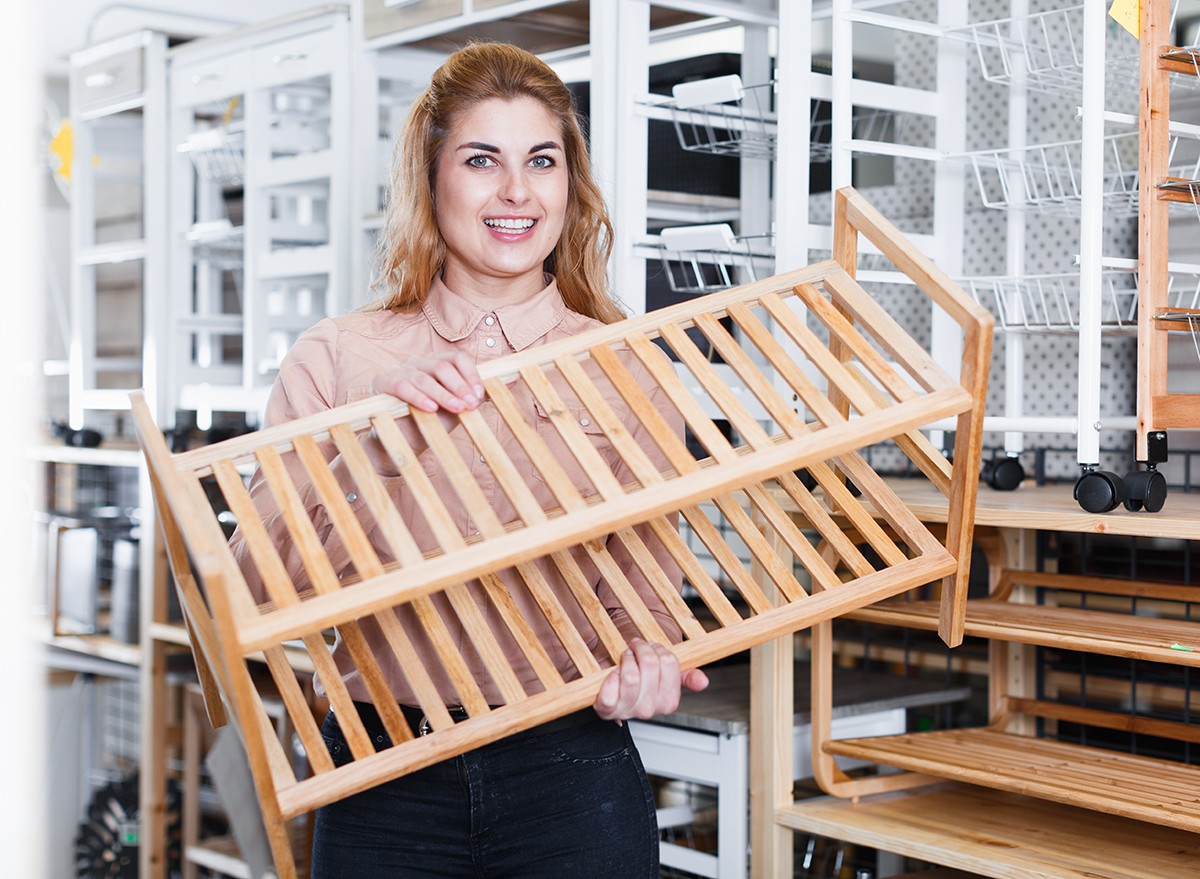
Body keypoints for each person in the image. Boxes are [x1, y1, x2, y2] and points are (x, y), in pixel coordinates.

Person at [230, 41, 708, 878]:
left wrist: (648, 661)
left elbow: (648, 589)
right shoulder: (339, 357)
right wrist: (377, 432)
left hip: (570, 766)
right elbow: (250, 587)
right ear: (431, 176)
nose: (516, 191)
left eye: (542, 161)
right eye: (482, 159)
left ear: (570, 185)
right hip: (382, 770)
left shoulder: (626, 364)